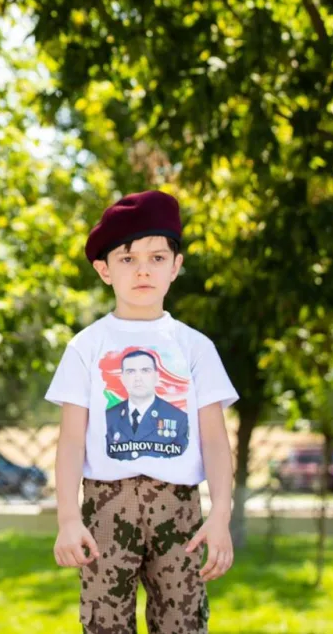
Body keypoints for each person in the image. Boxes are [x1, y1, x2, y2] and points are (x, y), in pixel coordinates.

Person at [46, 190, 239, 633]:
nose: (143, 270)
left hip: (180, 509)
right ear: (104, 270)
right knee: (105, 622)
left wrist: (221, 515)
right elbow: (72, 439)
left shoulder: (195, 347)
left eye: (156, 257)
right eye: (128, 259)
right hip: (106, 510)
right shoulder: (86, 347)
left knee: (182, 621)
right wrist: (68, 518)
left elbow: (214, 439)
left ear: (176, 266)